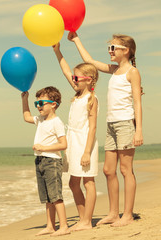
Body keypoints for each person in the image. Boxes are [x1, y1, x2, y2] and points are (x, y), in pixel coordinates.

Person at [68, 32, 144, 227]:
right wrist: (77, 39)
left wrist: (139, 130)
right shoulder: (114, 69)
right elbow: (89, 60)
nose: (109, 51)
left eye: (113, 48)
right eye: (109, 48)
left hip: (126, 123)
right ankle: (113, 213)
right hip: (111, 125)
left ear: (125, 51)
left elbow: (137, 101)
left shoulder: (132, 72)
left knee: (126, 170)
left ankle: (127, 214)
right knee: (108, 170)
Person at [52, 43, 99, 231]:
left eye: (77, 77)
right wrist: (57, 51)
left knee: (88, 181)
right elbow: (65, 70)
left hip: (85, 142)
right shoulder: (77, 95)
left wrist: (87, 152)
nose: (73, 79)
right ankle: (82, 218)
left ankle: (87, 221)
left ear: (89, 80)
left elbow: (93, 128)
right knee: (73, 182)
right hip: (72, 142)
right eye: (74, 77)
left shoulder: (91, 99)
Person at [21, 86, 70, 236]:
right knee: (47, 197)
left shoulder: (57, 122)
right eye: (37, 104)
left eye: (41, 103)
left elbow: (63, 144)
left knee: (56, 196)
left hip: (52, 161)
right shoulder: (40, 120)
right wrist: (24, 99)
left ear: (53, 104)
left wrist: (43, 147)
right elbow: (26, 117)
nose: (38, 107)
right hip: (40, 161)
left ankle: (64, 226)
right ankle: (50, 226)